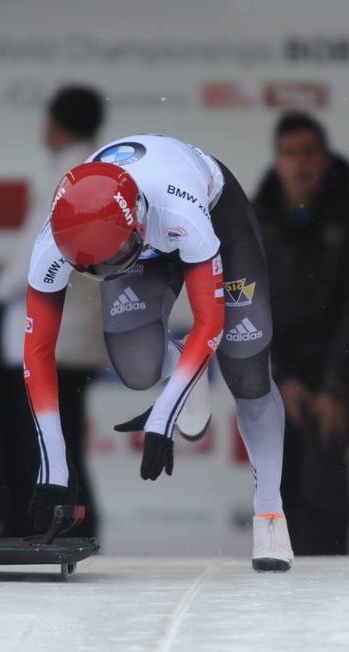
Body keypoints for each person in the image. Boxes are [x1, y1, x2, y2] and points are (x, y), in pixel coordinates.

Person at [23, 134, 293, 571]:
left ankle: (270, 512)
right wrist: (54, 468)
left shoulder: (182, 213)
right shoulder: (54, 243)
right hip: (133, 232)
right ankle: (188, 372)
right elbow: (36, 354)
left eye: (119, 259)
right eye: (98, 271)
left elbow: (210, 322)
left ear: (138, 225)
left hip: (215, 217)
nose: (113, 273)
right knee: (136, 367)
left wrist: (163, 418)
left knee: (246, 369)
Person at [0, 85, 106, 538]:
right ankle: (65, 528)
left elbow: (40, 251)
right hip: (71, 334)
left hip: (51, 336)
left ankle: (57, 530)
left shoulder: (70, 175)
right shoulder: (92, 170)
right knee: (59, 440)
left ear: (56, 124)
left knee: (45, 445)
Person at [252, 112, 349, 555]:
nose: (300, 163)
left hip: (337, 364)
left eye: (309, 152)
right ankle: (278, 579)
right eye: (290, 153)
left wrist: (337, 388)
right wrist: (279, 376)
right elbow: (248, 308)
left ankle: (329, 593)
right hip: (277, 371)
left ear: (327, 158)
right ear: (277, 162)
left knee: (325, 476)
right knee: (276, 480)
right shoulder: (256, 220)